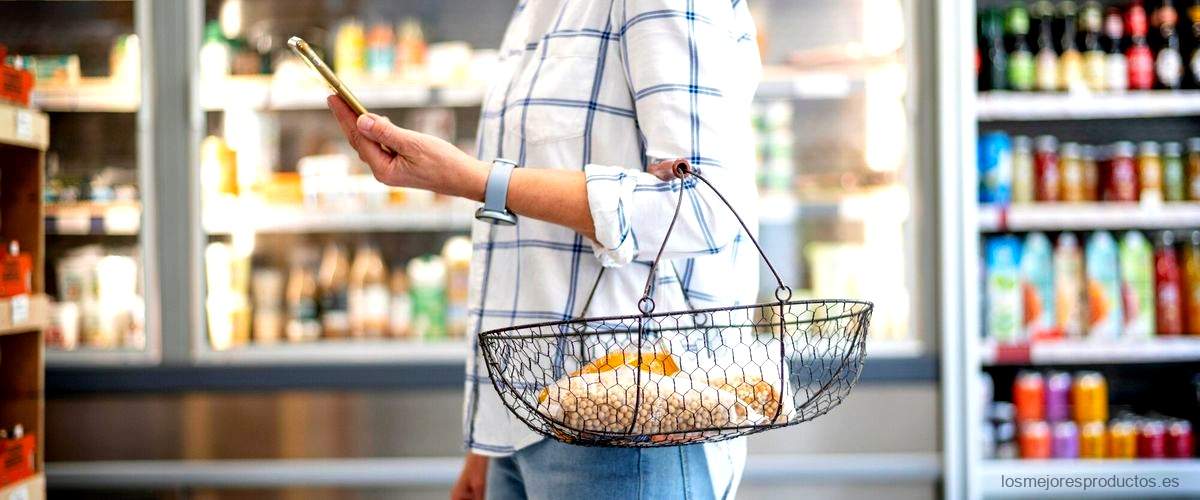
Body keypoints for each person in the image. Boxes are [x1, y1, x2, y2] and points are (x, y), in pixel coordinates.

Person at [328, 1, 761, 498]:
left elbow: (705, 208)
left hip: (632, 423)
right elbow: (528, 257)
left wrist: (477, 180)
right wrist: (488, 441)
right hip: (522, 418)